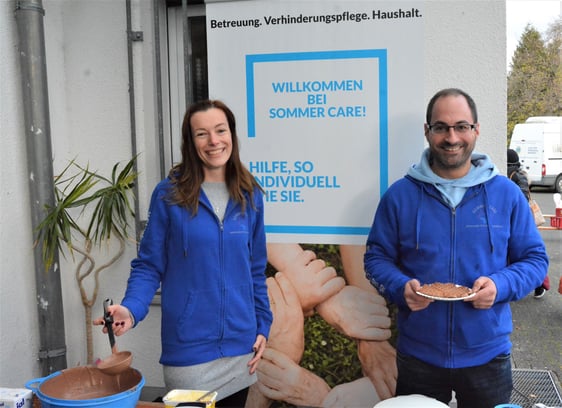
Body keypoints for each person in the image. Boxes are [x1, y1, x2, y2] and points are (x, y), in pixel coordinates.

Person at [364, 88, 549, 408]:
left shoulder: (506, 194)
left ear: (476, 130)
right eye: (441, 127)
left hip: (487, 355)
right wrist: (398, 287)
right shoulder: (400, 196)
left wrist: (500, 285)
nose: (452, 137)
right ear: (427, 131)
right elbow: (376, 258)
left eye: (461, 126)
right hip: (418, 356)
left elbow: (535, 260)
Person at [94, 99, 272, 407]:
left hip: (240, 351)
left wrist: (263, 325)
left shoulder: (249, 194)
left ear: (232, 135)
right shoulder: (169, 195)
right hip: (189, 354)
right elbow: (149, 265)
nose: (214, 141)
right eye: (202, 134)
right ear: (190, 142)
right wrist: (132, 309)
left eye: (221, 130)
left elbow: (255, 270)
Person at [507, 148, 550, 298]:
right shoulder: (516, 174)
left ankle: (540, 285)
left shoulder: (517, 176)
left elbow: (523, 199)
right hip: (515, 220)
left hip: (522, 221)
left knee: (528, 254)